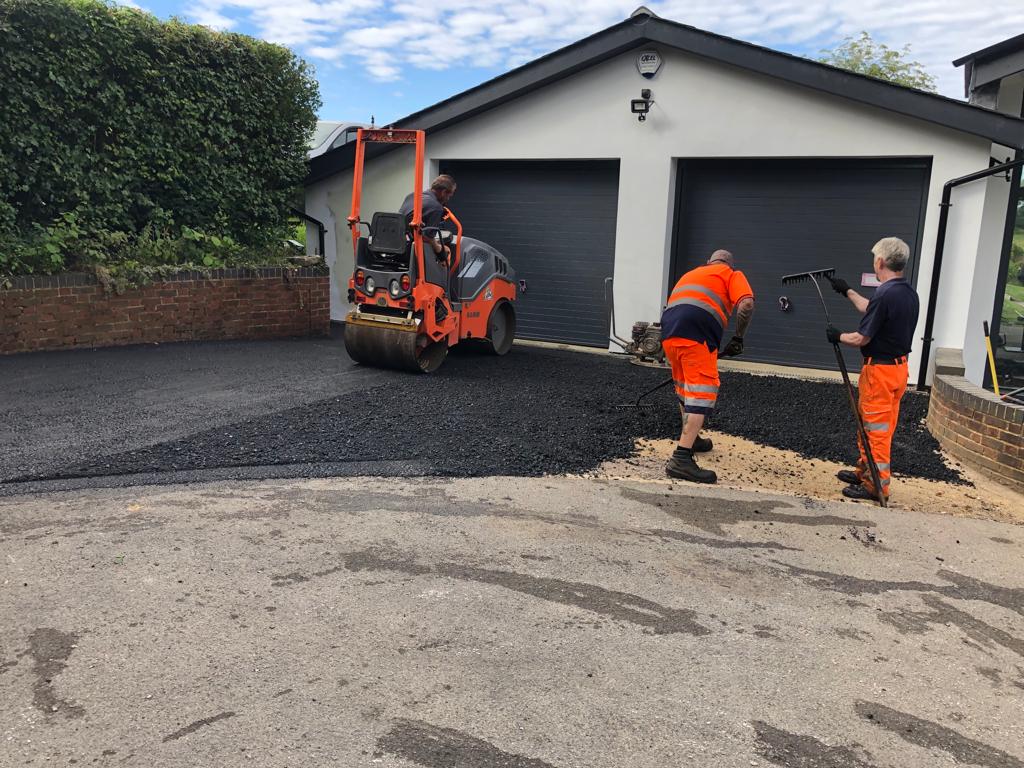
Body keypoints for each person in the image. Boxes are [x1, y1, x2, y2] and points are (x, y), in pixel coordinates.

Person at [826, 237, 920, 502]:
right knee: (876, 427)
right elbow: (873, 309)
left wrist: (838, 336)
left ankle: (876, 487)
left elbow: (861, 339)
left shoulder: (885, 294)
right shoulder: (906, 293)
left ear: (880, 262)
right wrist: (847, 291)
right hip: (899, 371)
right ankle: (865, 472)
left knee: (876, 431)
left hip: (879, 372)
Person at [660, 249, 755, 483]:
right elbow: (746, 306)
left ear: (708, 262)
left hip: (670, 334)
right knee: (702, 393)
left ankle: (692, 438)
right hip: (697, 337)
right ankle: (681, 458)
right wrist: (739, 338)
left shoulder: (692, 274)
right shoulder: (731, 274)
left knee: (685, 389)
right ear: (728, 265)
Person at [399, 174, 457, 260]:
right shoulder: (436, 207)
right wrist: (440, 249)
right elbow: (427, 238)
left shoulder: (412, 196)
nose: (448, 199)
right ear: (444, 192)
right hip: (412, 250)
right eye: (449, 196)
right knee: (446, 252)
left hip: (399, 242)